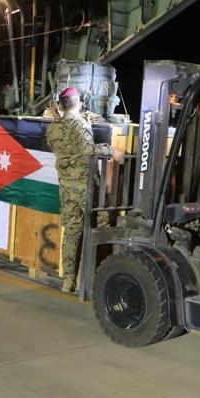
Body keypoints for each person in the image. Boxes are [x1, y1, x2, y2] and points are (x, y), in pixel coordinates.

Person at [46, 87, 123, 293]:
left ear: (62, 105)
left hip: (66, 188)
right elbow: (88, 150)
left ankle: (68, 280)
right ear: (78, 102)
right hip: (86, 188)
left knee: (72, 232)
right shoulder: (80, 125)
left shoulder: (52, 128)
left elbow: (62, 146)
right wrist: (111, 150)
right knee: (101, 227)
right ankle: (92, 277)